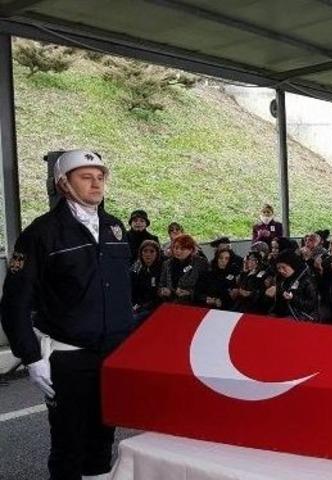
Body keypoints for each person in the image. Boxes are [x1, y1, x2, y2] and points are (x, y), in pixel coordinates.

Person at [0, 149, 136, 479]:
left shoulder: (115, 228)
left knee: (102, 442)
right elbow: (14, 302)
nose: (96, 184)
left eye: (100, 177)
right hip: (68, 360)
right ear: (63, 183)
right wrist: (31, 357)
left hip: (111, 357)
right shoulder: (41, 233)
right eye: (85, 177)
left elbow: (122, 292)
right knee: (69, 447)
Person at [157, 234, 209, 305]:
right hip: (169, 302)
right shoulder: (167, 264)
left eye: (182, 249)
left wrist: (190, 293)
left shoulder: (200, 263)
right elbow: (161, 283)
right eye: (175, 248)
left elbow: (205, 286)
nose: (178, 251)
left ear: (191, 250)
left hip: (192, 304)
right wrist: (163, 290)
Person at [266, 251, 318, 320]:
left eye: (283, 267)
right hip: (283, 313)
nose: (281, 271)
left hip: (300, 315)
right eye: (278, 268)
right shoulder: (281, 279)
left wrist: (293, 298)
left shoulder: (306, 279)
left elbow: (312, 305)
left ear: (293, 264)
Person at [130, 239, 163, 322]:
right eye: (145, 251)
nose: (148, 254)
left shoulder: (162, 268)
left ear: (157, 253)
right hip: (138, 305)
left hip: (156, 307)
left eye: (152, 251)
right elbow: (132, 290)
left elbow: (157, 295)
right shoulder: (136, 268)